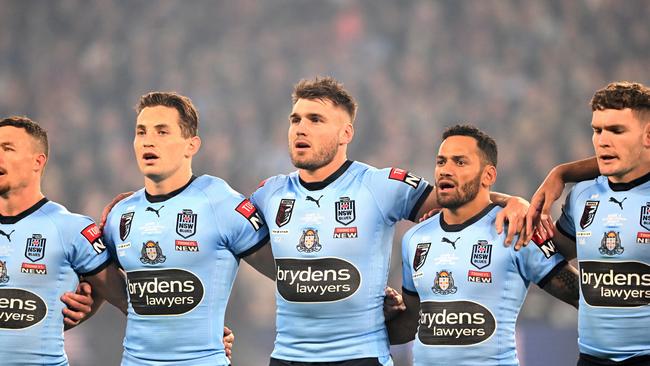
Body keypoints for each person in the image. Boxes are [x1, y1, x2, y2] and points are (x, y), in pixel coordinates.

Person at [249, 77, 532, 365]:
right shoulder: (268, 193)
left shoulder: (380, 185)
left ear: (345, 133)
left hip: (361, 357)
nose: (301, 128)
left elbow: (459, 197)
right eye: (295, 119)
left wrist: (512, 201)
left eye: (315, 119)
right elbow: (231, 243)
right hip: (286, 356)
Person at [96, 92, 273, 365]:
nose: (148, 141)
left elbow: (288, 273)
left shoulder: (221, 203)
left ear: (192, 145)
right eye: (141, 132)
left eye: (162, 131)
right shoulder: (121, 214)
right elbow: (98, 284)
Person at [387, 124, 579, 366]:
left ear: (488, 176)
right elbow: (412, 323)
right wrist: (382, 318)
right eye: (441, 161)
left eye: (460, 162)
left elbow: (583, 297)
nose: (445, 170)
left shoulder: (514, 230)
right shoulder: (415, 238)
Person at [529, 81, 650, 365]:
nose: (602, 141)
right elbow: (553, 251)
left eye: (617, 130)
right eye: (597, 130)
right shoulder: (583, 194)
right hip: (590, 358)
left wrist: (562, 171)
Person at [0, 116, 127, 365]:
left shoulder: (71, 229)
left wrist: (202, 336)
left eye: (7, 149)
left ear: (38, 162)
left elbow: (127, 301)